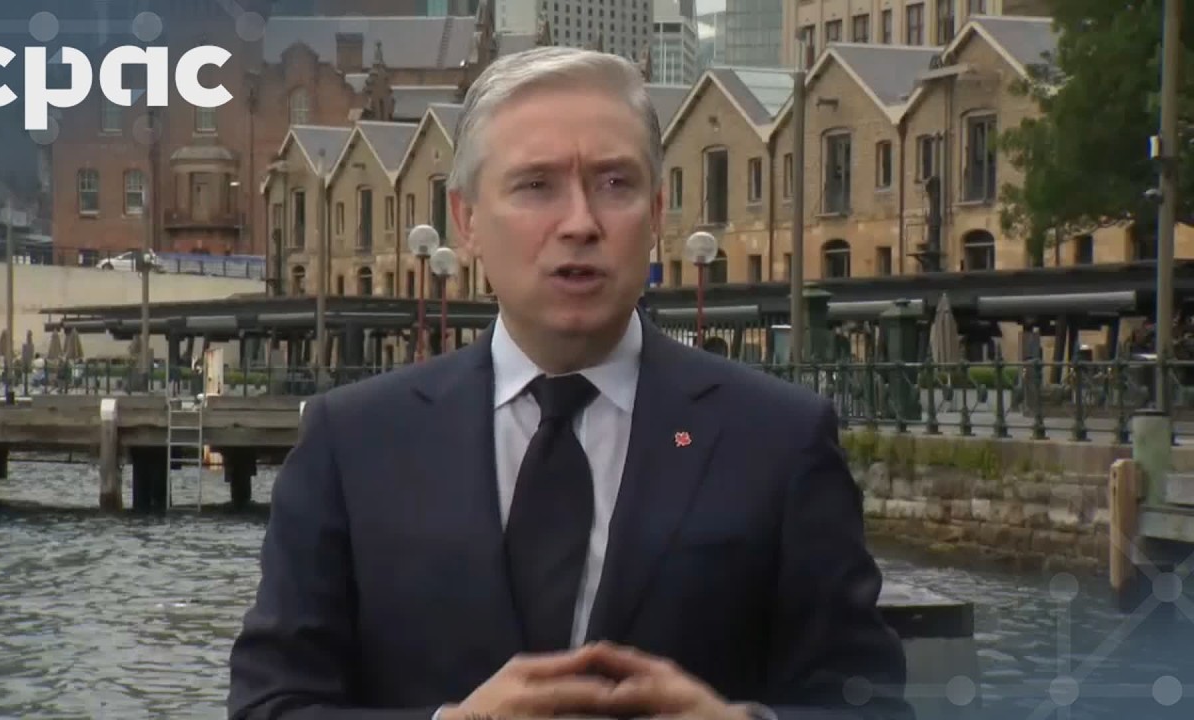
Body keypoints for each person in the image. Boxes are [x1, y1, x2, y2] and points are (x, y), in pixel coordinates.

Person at [228, 46, 910, 720]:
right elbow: (270, 705)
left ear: (656, 213)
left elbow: (869, 705)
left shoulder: (779, 440)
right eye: (537, 186)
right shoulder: (353, 442)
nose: (581, 222)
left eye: (615, 184)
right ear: (467, 220)